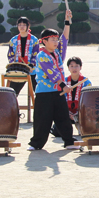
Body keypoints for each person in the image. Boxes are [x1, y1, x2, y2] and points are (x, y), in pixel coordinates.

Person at [27, 10, 77, 151]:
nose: (56, 42)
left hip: (58, 91)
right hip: (45, 92)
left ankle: (69, 142)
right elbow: (52, 73)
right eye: (53, 39)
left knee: (63, 118)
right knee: (43, 120)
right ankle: (35, 143)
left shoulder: (56, 52)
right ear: (44, 41)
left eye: (56, 39)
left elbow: (65, 38)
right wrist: (64, 85)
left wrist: (67, 21)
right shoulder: (41, 55)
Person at [51, 56, 92, 137]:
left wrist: (78, 113)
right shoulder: (64, 82)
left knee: (88, 132)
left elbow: (89, 101)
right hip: (67, 113)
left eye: (77, 66)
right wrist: (68, 113)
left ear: (80, 67)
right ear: (68, 68)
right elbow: (60, 100)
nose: (74, 68)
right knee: (57, 132)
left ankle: (81, 125)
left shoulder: (86, 82)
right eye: (71, 66)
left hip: (81, 113)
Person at [6, 16, 39, 95]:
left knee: (38, 92)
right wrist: (13, 64)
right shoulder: (13, 40)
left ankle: (39, 106)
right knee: (12, 92)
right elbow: (10, 54)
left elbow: (36, 54)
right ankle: (12, 106)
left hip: (31, 69)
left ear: (28, 26)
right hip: (18, 68)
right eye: (19, 24)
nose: (21, 26)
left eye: (24, 25)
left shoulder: (34, 40)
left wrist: (31, 65)